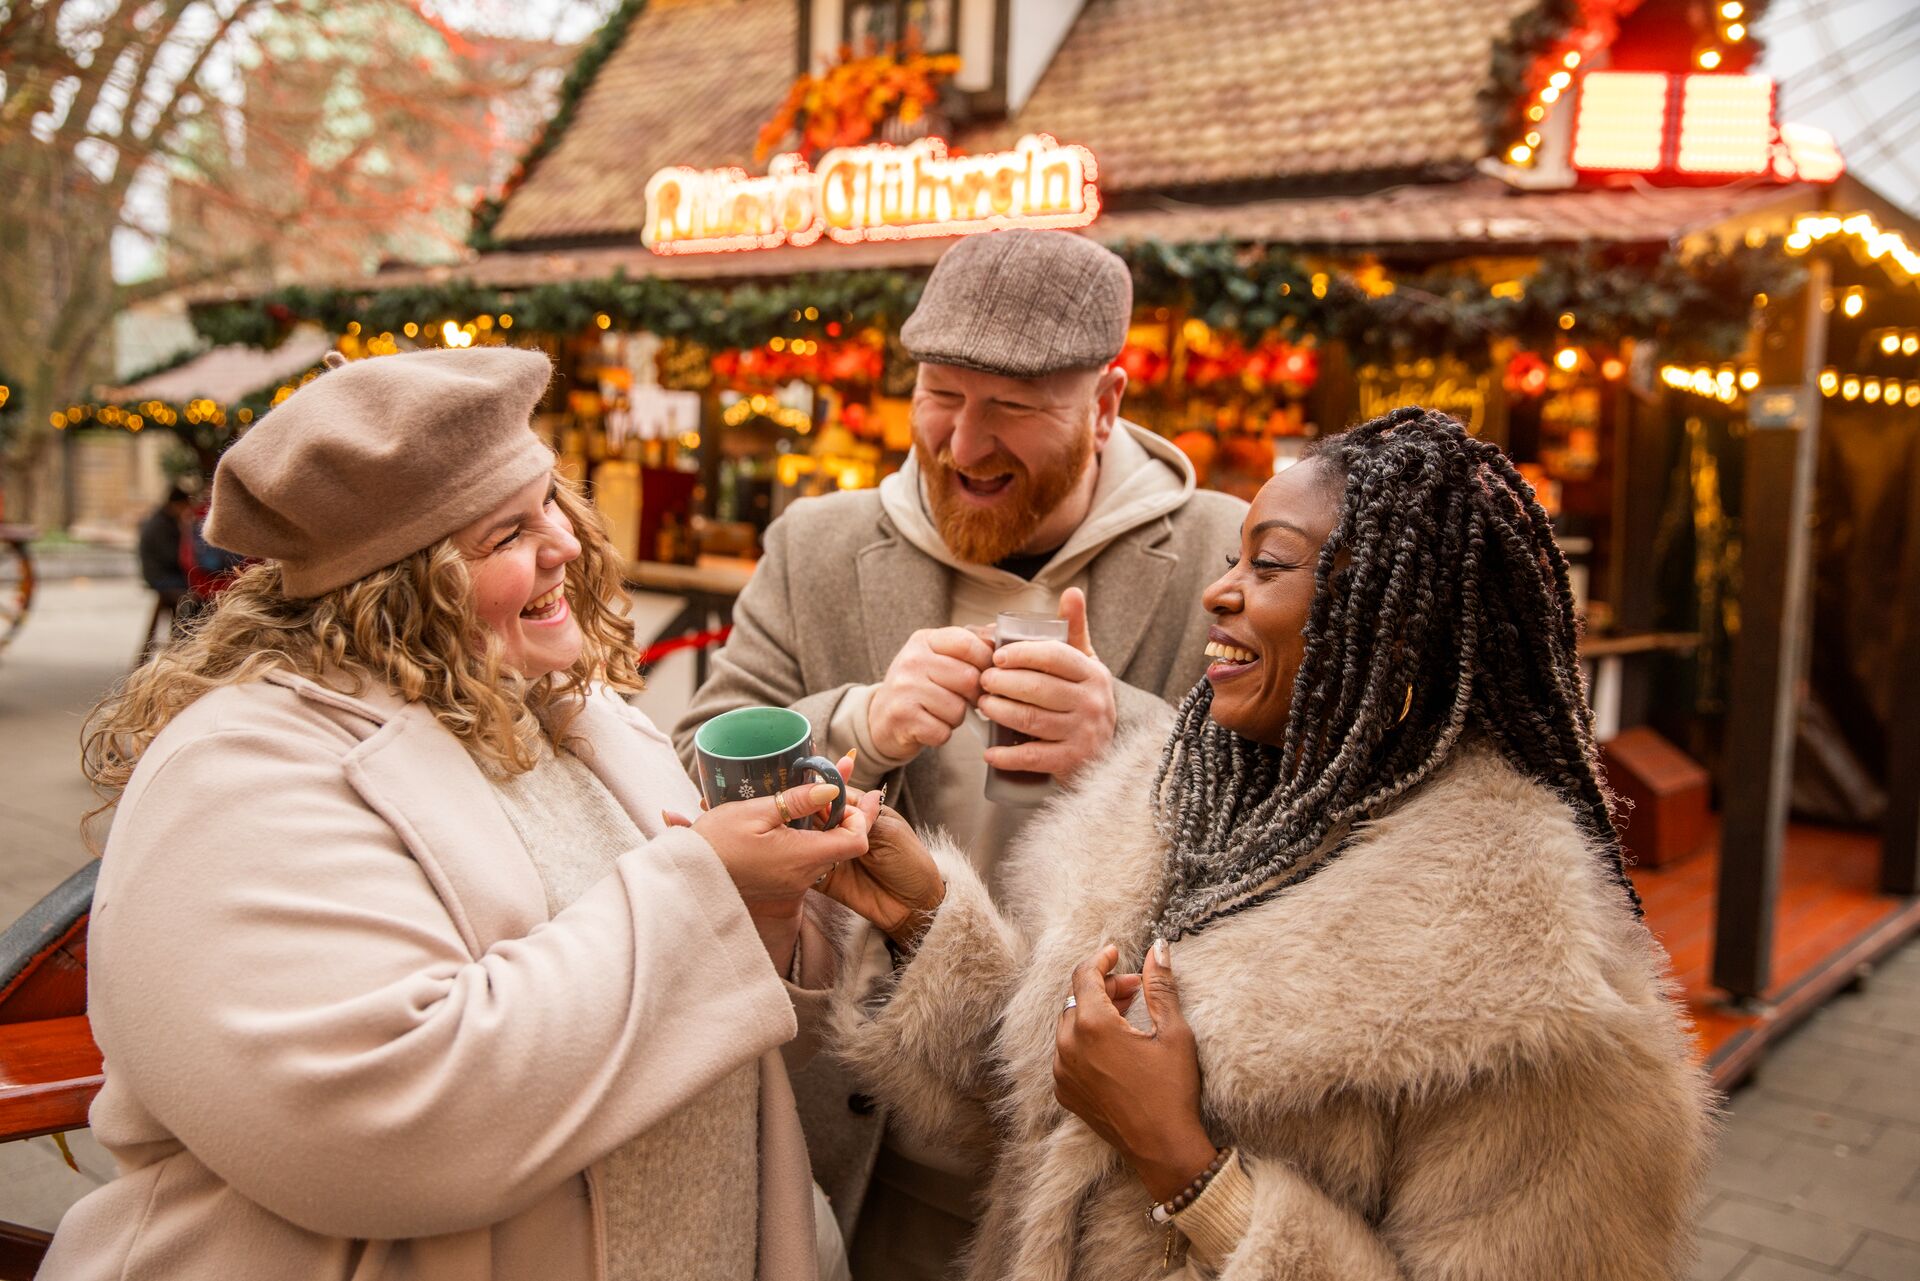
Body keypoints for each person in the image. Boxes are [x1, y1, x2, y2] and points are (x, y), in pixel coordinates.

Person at [821, 407, 1715, 1280]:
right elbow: (1039, 1109)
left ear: (1395, 634)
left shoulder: (1534, 994)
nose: (1220, 590)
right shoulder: (1169, 806)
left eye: (1271, 563)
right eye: (1232, 558)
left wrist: (1186, 1165)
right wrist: (925, 918)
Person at [46, 347, 875, 1281]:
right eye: (507, 534)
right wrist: (708, 890)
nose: (563, 543)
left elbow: (700, 1002)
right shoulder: (234, 773)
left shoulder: (577, 711)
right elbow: (384, 1128)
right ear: (397, 587)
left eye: (549, 501)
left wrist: (771, 905)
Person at [673, 229, 1247, 1275]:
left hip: (1101, 1152)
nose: (962, 443)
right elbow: (686, 768)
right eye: (941, 394)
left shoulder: (1230, 550)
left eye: (1014, 408)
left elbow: (1316, 813)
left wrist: (1132, 739)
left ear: (1108, 403)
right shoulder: (820, 547)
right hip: (865, 1137)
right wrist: (858, 722)